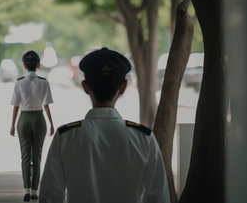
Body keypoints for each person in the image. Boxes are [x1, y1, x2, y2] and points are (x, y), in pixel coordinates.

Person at [39, 47, 170, 203]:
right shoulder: (144, 137)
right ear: (122, 87)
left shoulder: (65, 136)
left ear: (85, 87)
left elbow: (50, 197)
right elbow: (158, 197)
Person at [10, 50, 55, 201]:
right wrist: (51, 124)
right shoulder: (44, 82)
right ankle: (35, 190)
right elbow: (47, 105)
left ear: (24, 65)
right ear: (38, 64)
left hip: (23, 119)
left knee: (25, 156)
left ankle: (26, 190)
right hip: (39, 118)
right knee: (37, 155)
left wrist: (12, 125)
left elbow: (16, 106)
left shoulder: (19, 82)